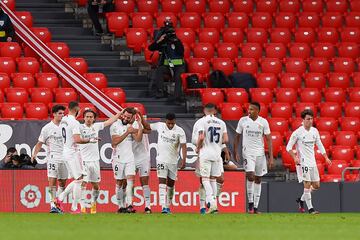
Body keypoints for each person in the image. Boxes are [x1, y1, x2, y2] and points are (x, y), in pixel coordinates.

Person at [286, 109, 332, 214]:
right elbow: (288, 147)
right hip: (302, 162)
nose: (310, 121)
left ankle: (301, 200)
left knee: (316, 185)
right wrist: (294, 157)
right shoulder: (297, 133)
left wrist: (326, 157)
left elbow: (320, 144)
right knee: (307, 183)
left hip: (312, 162)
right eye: (308, 119)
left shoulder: (315, 131)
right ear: (303, 120)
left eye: (311, 119)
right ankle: (311, 209)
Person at [77, 109, 121, 214]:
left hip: (95, 161)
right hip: (83, 160)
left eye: (91, 117)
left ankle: (93, 204)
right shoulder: (79, 127)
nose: (88, 119)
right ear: (84, 118)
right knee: (83, 184)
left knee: (96, 185)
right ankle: (82, 207)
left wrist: (119, 113)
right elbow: (76, 139)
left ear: (94, 119)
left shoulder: (96, 126)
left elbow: (109, 122)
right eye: (87, 117)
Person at [233, 102, 274, 214]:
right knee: (250, 176)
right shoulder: (243, 120)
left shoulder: (263, 122)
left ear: (257, 111)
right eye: (248, 109)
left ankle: (255, 208)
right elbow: (237, 136)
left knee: (258, 179)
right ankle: (250, 204)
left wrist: (271, 157)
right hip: (248, 153)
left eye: (251, 109)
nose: (249, 111)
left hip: (260, 154)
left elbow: (269, 139)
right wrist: (235, 151)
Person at [56, 101, 97, 214]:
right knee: (80, 180)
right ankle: (74, 207)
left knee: (78, 179)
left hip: (65, 151)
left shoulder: (63, 120)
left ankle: (60, 199)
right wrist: (91, 140)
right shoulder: (74, 123)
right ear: (76, 110)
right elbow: (77, 140)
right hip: (73, 152)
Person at [143, 113, 187, 214]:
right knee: (162, 182)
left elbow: (184, 146)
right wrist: (141, 117)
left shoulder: (180, 131)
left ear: (175, 121)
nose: (170, 125)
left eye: (172, 123)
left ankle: (168, 206)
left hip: (173, 161)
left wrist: (184, 160)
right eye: (168, 123)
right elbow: (147, 126)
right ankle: (163, 207)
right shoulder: (160, 125)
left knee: (171, 185)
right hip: (161, 160)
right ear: (165, 121)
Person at [192, 105, 231, 214]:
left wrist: (198, 147)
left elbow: (201, 137)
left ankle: (211, 203)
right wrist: (217, 144)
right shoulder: (221, 122)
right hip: (217, 154)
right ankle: (214, 206)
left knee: (205, 179)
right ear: (214, 111)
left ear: (204, 111)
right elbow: (226, 139)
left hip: (205, 153)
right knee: (213, 179)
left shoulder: (202, 122)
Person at [32, 105, 67, 214]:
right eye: (60, 113)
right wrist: (34, 154)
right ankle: (53, 205)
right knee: (52, 181)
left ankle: (59, 204)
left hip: (65, 157)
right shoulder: (47, 128)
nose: (62, 115)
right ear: (54, 114)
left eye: (63, 113)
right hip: (53, 157)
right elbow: (40, 142)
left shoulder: (66, 126)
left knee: (62, 182)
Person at [110, 107, 143, 214]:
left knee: (130, 181)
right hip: (118, 158)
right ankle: (120, 206)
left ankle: (129, 205)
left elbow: (138, 139)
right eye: (124, 116)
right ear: (121, 114)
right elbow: (115, 142)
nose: (125, 118)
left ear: (131, 118)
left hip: (130, 157)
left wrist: (139, 126)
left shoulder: (130, 125)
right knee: (119, 182)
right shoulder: (115, 125)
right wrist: (127, 132)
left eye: (128, 117)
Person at [148, 20, 186, 104]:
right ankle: (160, 92)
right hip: (167, 66)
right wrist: (159, 40)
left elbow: (181, 52)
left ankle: (176, 98)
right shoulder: (163, 42)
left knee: (179, 77)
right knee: (159, 70)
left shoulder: (177, 41)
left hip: (179, 66)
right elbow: (151, 48)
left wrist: (175, 41)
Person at [130, 110, 152, 213]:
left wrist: (141, 119)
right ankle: (129, 204)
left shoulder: (142, 123)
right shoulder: (127, 125)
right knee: (130, 182)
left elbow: (149, 130)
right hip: (131, 157)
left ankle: (148, 206)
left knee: (144, 182)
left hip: (143, 157)